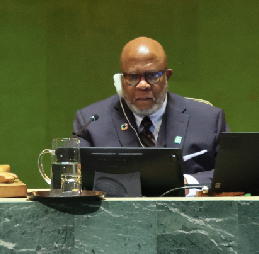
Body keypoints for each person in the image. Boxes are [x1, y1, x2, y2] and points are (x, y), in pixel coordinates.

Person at [72, 37, 229, 189]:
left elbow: (230, 175)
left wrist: (188, 183)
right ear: (120, 81)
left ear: (167, 77)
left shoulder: (208, 119)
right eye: (133, 77)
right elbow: (75, 178)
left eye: (152, 75)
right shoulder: (91, 122)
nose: (142, 85)